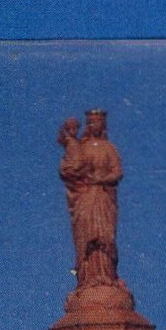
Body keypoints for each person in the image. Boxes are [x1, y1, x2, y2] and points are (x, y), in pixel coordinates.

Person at [58, 110, 123, 286]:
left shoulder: (109, 148)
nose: (95, 125)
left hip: (102, 196)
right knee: (86, 236)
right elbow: (70, 167)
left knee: (104, 236)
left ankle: (107, 276)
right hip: (85, 197)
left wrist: (102, 179)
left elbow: (117, 171)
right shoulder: (81, 147)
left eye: (98, 122)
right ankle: (88, 277)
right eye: (91, 122)